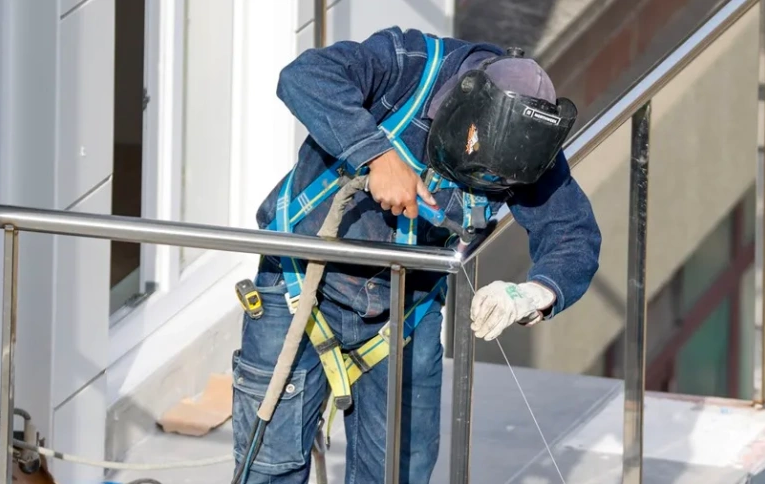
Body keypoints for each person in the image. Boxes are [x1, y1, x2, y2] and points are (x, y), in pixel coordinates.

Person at [231, 26, 601, 484]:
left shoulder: (530, 147)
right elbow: (304, 76)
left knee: (397, 474)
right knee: (270, 469)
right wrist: (376, 154)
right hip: (301, 284)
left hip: (407, 312)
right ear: (461, 106)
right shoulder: (405, 65)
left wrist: (531, 294)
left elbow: (573, 233)